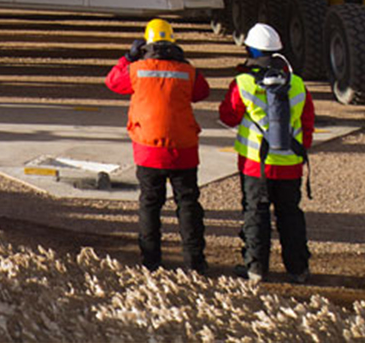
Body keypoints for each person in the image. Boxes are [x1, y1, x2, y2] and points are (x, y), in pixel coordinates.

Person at [105, 17, 211, 273]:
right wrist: (182, 62)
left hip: (149, 149)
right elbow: (202, 91)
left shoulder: (136, 69)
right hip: (183, 149)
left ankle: (151, 262)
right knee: (187, 204)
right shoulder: (187, 71)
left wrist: (127, 57)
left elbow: (112, 82)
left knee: (150, 204)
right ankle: (195, 263)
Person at [218, 22, 315, 284]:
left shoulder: (243, 83)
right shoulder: (296, 84)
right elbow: (307, 123)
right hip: (291, 163)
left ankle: (256, 269)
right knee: (290, 215)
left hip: (255, 165)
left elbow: (228, 116)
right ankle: (298, 269)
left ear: (249, 49)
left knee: (256, 214)